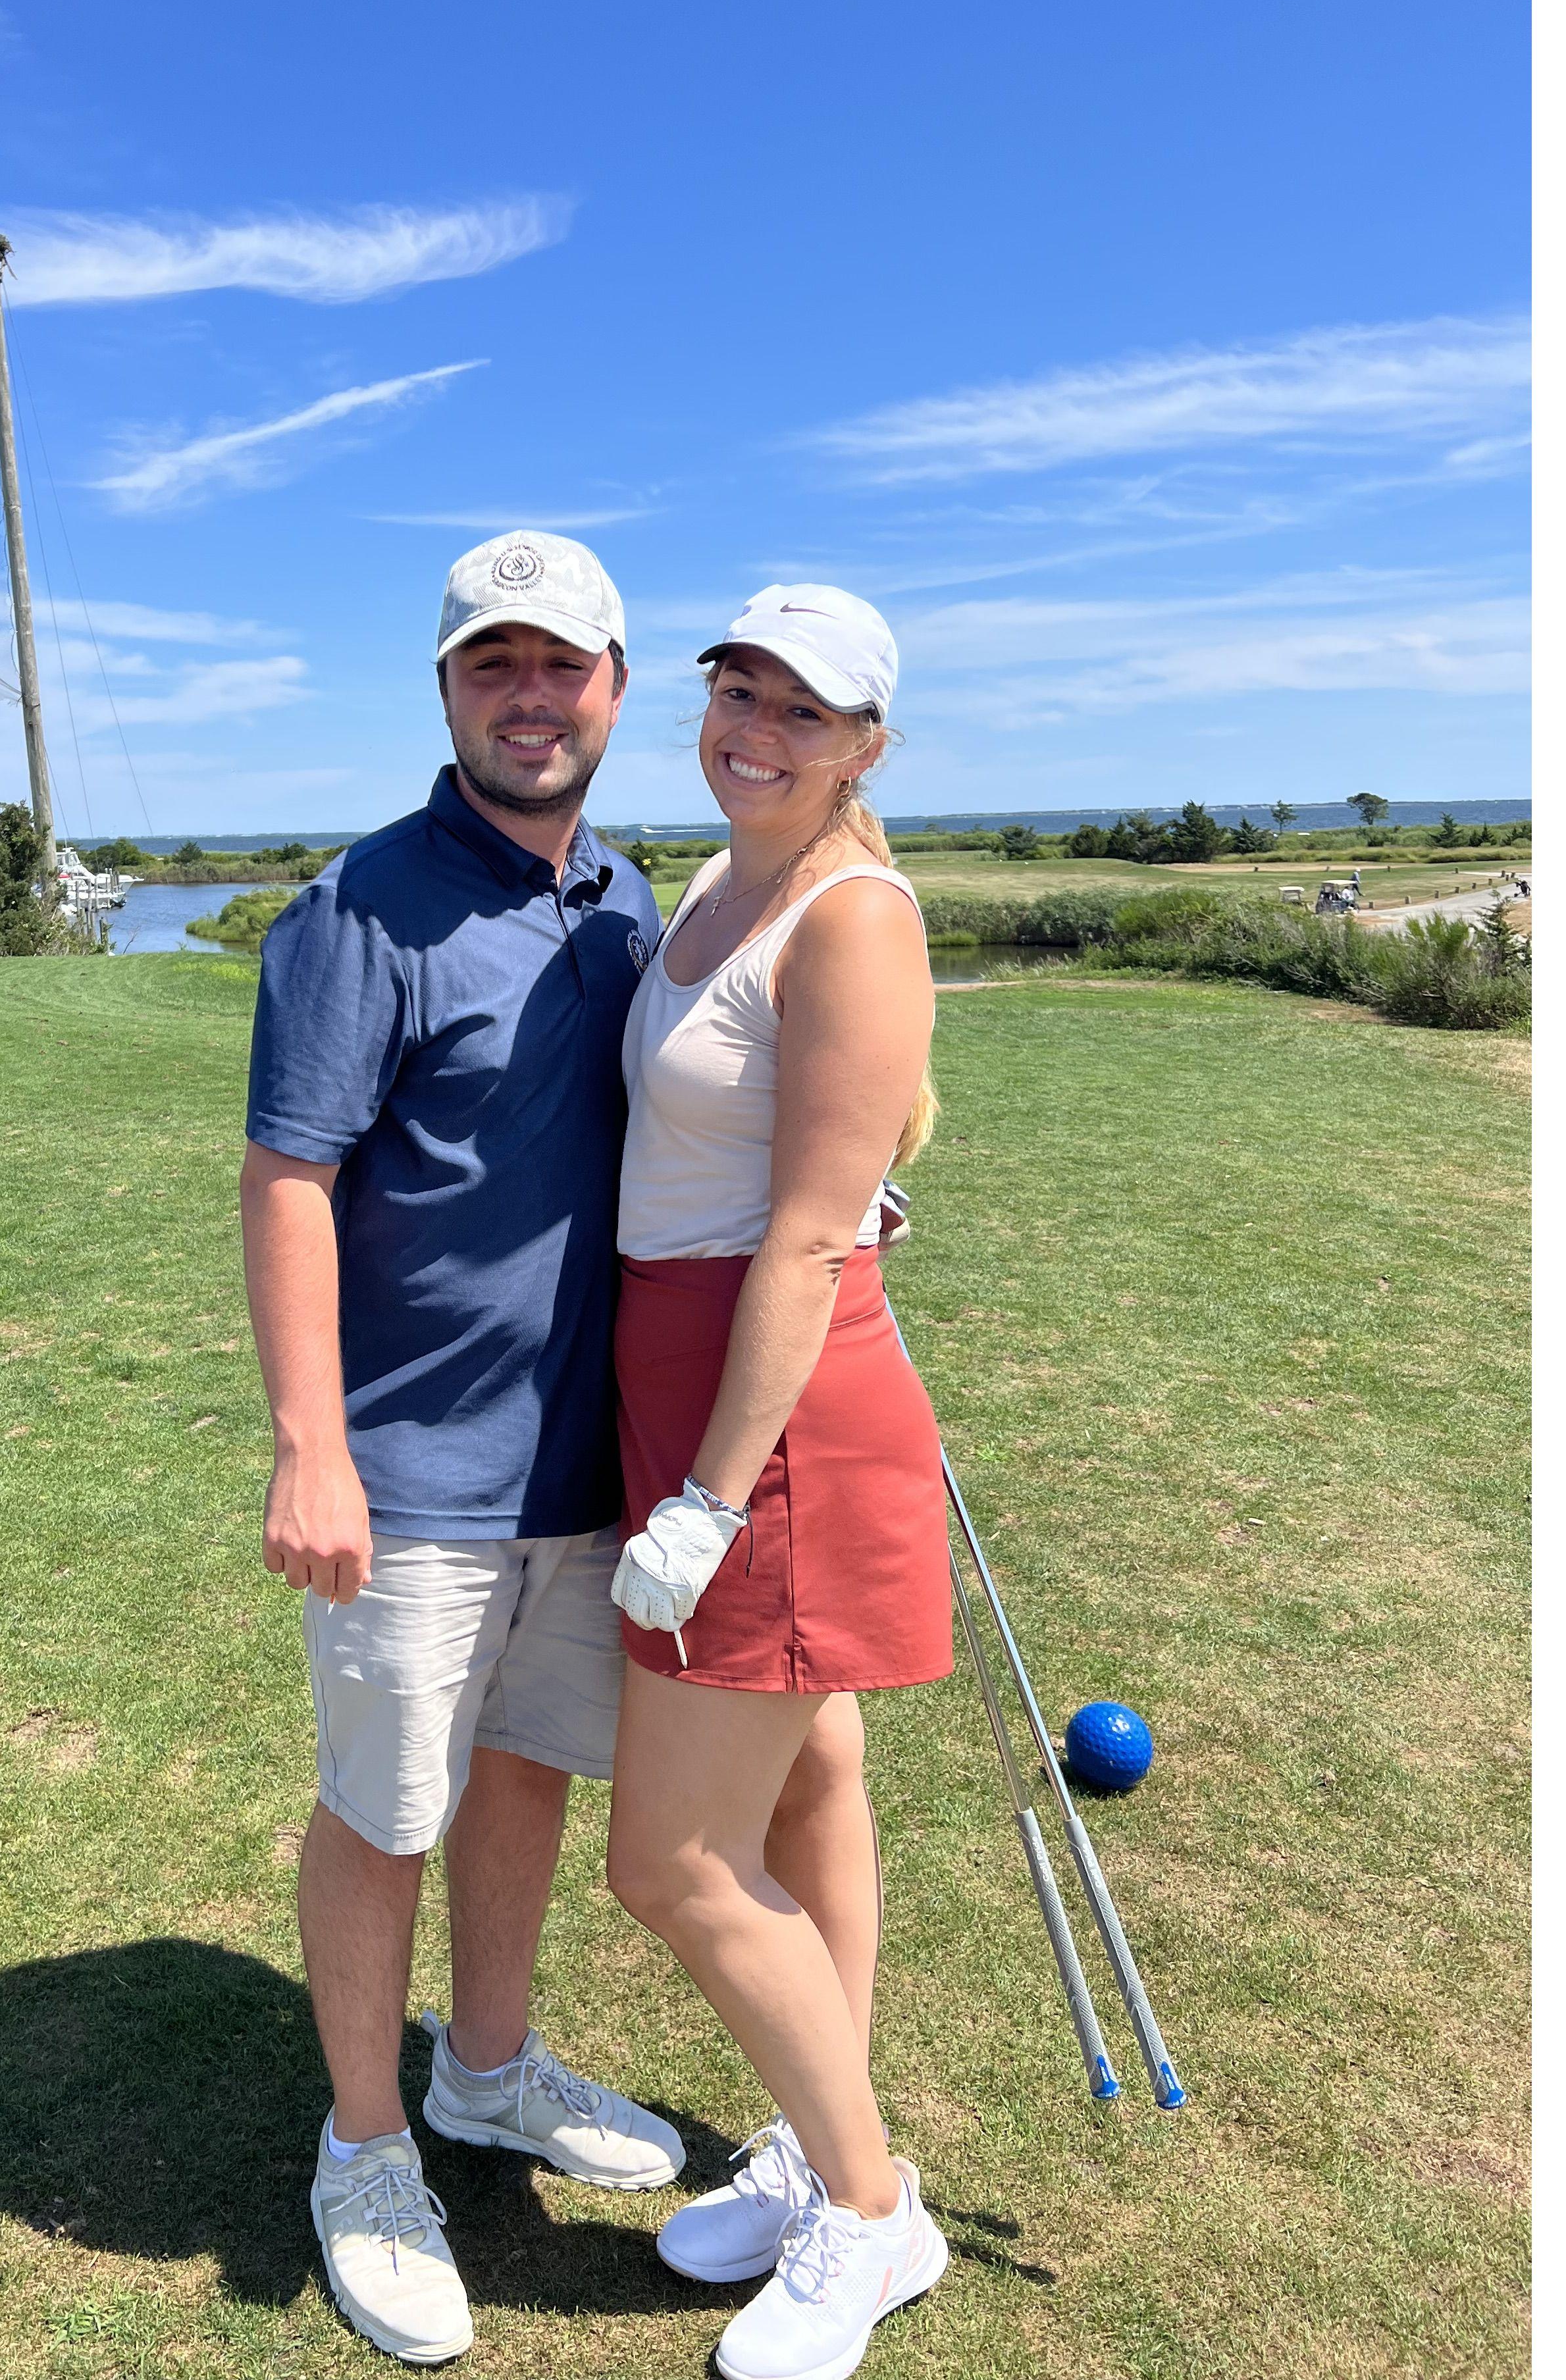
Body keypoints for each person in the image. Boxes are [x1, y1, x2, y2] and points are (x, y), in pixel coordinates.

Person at [240, 532, 683, 2365]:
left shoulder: (630, 899)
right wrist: (311, 1446)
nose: (529, 696)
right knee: (385, 1810)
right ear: (443, 690)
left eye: (561, 664)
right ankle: (364, 2148)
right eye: (492, 664)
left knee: (523, 1773)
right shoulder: (362, 908)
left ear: (615, 688)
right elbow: (290, 1178)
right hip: (414, 1464)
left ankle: (486, 2072)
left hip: (590, 1464)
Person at [601, 584, 954, 2380]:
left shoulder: (853, 914)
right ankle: (825, 2155)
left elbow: (812, 1238)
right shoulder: (714, 888)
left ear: (865, 745)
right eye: (738, 689)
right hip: (693, 1380)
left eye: (803, 709)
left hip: (771, 1421)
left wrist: (713, 1501)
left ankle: (872, 2215)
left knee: (670, 1860)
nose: (756, 727)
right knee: (813, 1784)